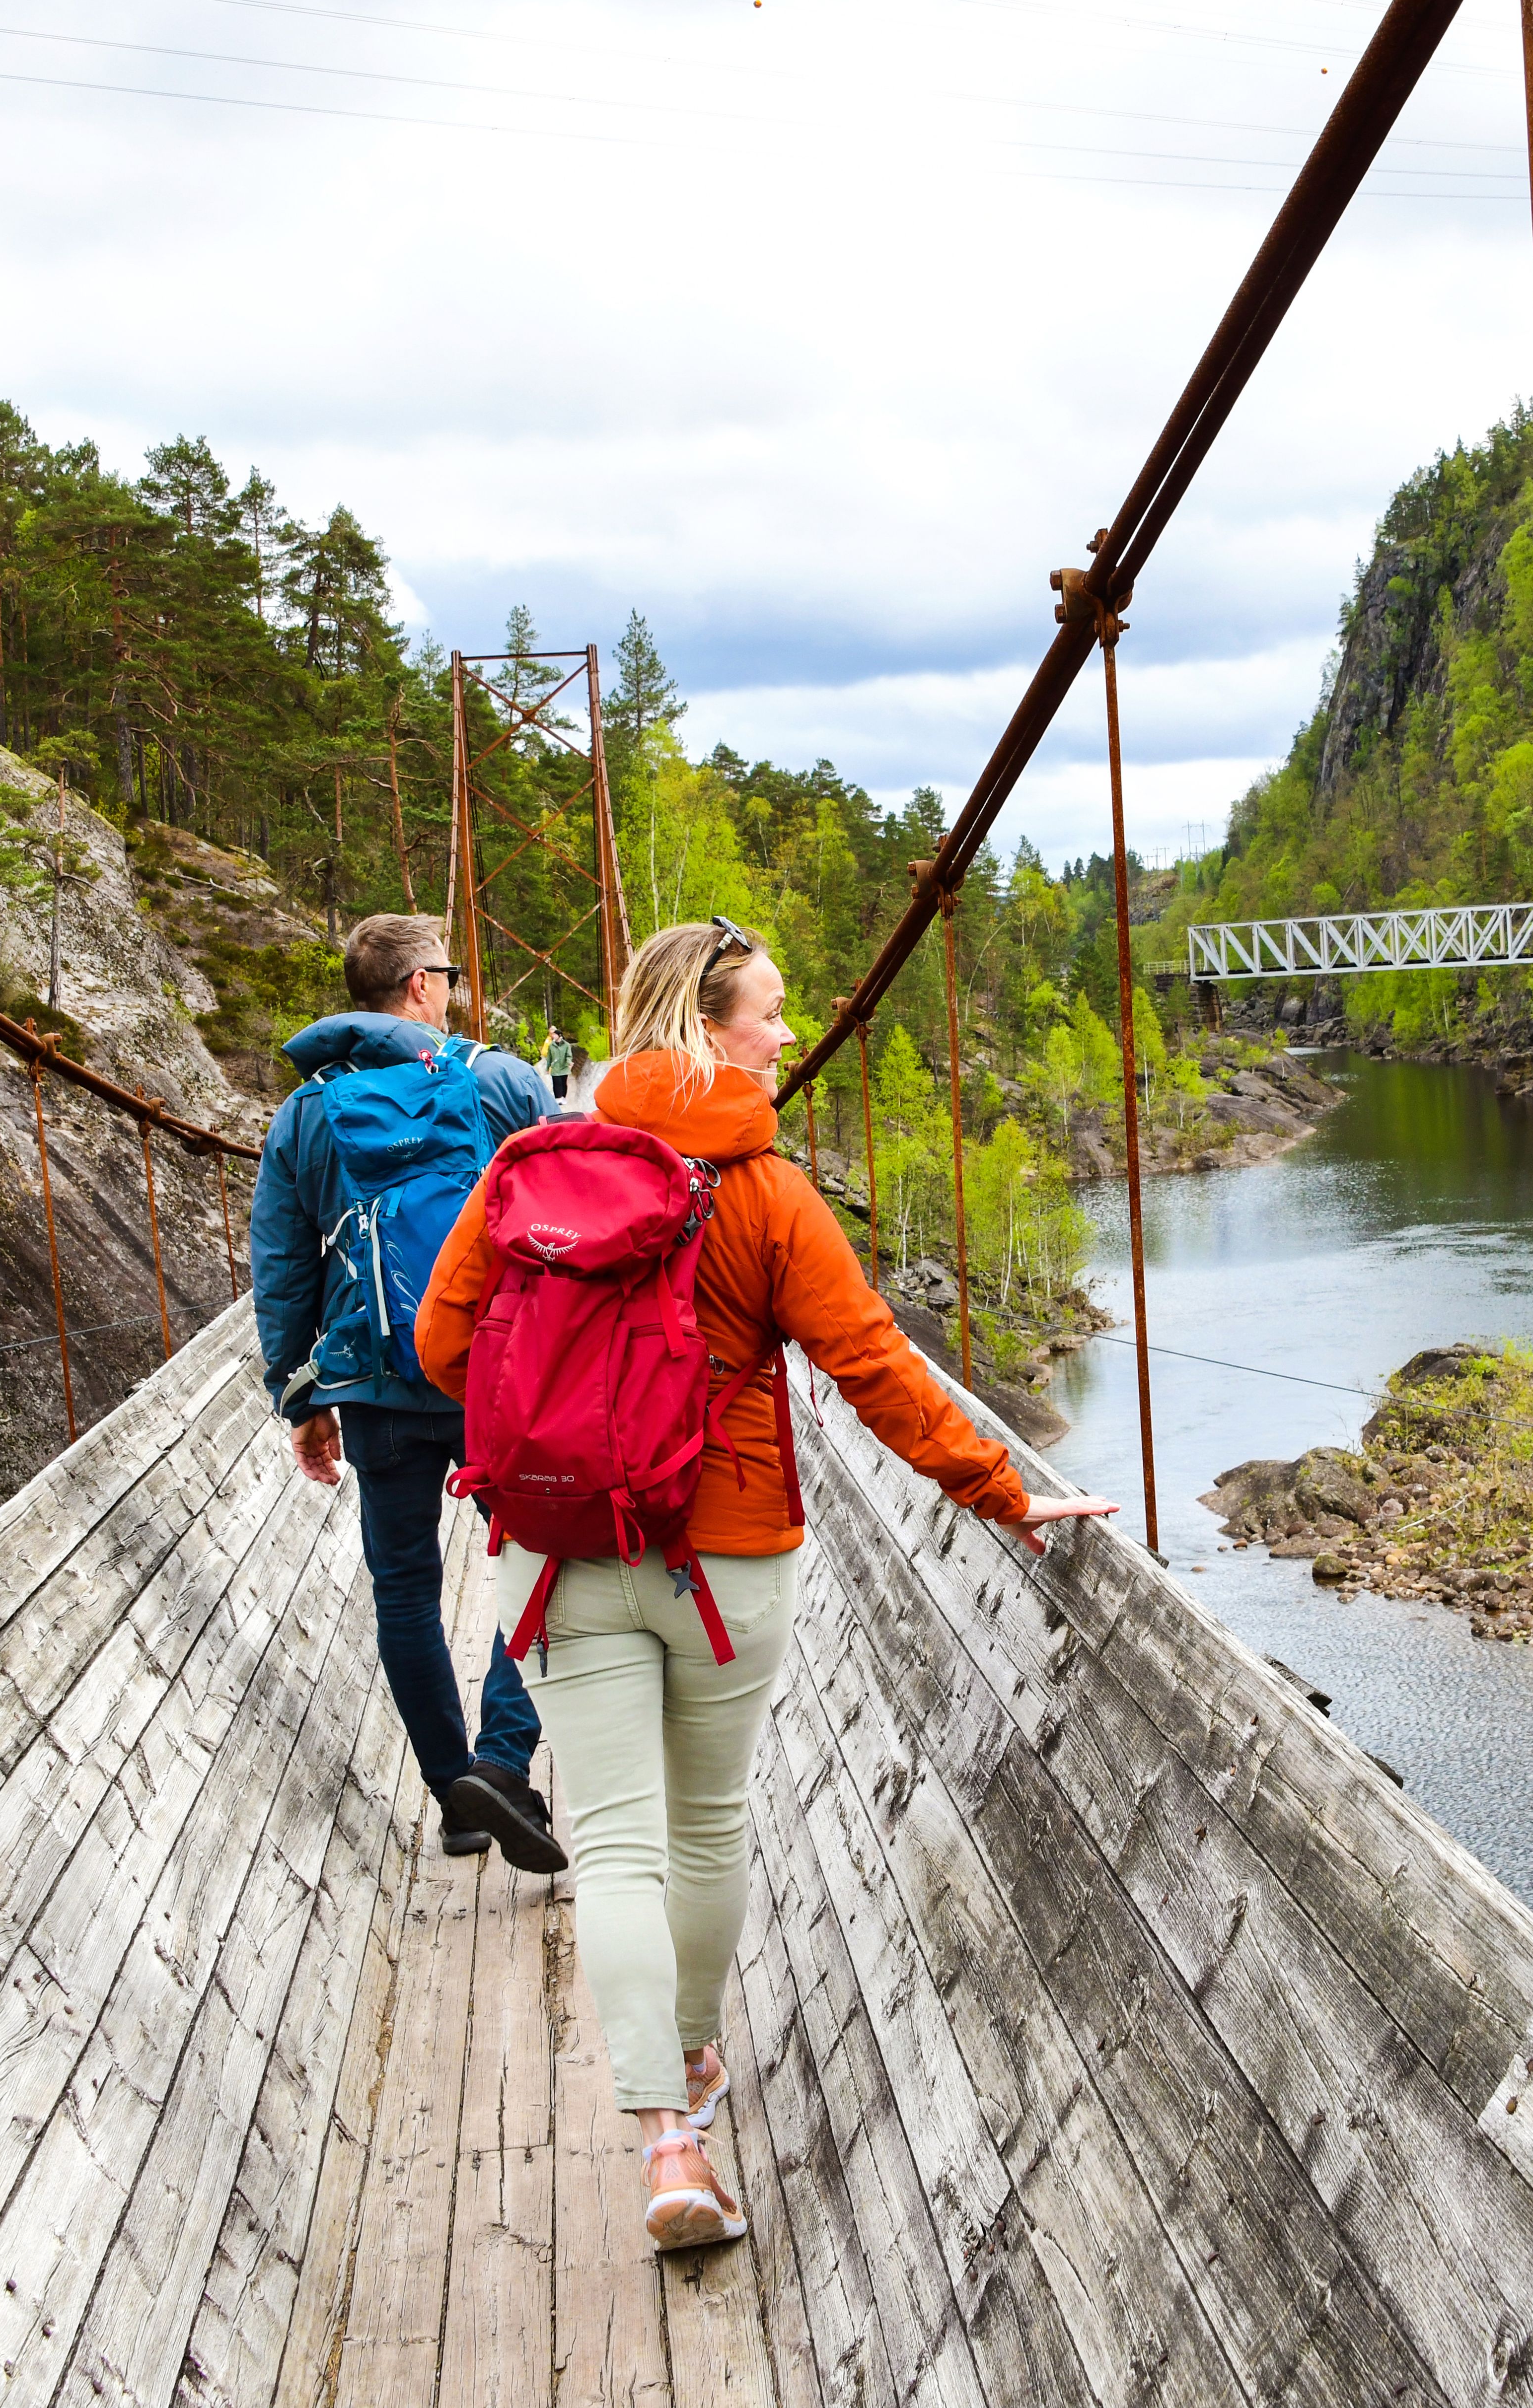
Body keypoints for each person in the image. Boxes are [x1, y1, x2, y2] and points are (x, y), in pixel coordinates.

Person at [417, 918, 1109, 2249]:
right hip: (724, 1548)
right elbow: (876, 1365)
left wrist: (566, 1424)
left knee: (613, 1838)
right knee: (707, 1821)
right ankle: (689, 2058)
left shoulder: (522, 1165)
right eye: (772, 1013)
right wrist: (1003, 1485)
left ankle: (667, 2146)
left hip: (553, 1553)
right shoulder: (767, 1188)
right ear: (711, 1018)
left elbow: (445, 1349)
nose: (789, 1035)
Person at [247, 911, 568, 1872]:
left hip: (377, 1385)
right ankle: (503, 1760)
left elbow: (282, 1264)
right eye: (450, 972)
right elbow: (572, 1205)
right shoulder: (501, 1080)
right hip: (498, 1371)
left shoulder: (305, 1114)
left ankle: (454, 1797)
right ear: (423, 985)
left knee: (405, 1587)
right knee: (548, 1564)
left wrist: (298, 1396)